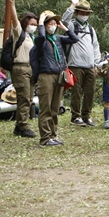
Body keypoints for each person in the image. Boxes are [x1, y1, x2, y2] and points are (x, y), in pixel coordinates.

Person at [33, 11, 79, 146]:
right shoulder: (40, 40)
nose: (52, 26)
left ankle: (53, 135)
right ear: (45, 26)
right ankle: (45, 138)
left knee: (55, 107)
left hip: (59, 75)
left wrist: (64, 28)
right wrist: (40, 21)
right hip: (46, 75)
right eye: (50, 24)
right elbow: (41, 36)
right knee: (45, 107)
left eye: (54, 24)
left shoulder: (58, 38)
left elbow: (74, 39)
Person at [62, 0, 101, 127]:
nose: (84, 15)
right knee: (76, 92)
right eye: (82, 12)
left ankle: (86, 116)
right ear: (77, 12)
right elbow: (63, 22)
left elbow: (95, 46)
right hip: (75, 65)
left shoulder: (90, 29)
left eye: (87, 13)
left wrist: (97, 64)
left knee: (90, 91)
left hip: (90, 65)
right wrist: (72, 6)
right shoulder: (72, 26)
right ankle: (75, 116)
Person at [7, 0, 38, 137]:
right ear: (25, 23)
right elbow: (14, 21)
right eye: (31, 23)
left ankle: (19, 125)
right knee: (24, 97)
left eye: (35, 25)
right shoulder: (19, 33)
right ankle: (23, 126)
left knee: (29, 98)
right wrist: (12, 5)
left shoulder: (32, 38)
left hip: (31, 68)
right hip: (20, 68)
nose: (33, 26)